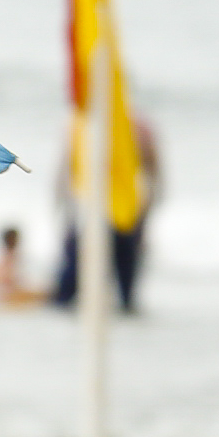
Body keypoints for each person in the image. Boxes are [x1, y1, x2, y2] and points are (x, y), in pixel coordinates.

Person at [51, 114, 159, 314]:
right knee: (70, 288)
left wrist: (146, 214)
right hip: (93, 210)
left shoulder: (138, 127)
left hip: (123, 212)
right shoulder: (81, 125)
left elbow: (152, 173)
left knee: (124, 292)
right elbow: (66, 170)